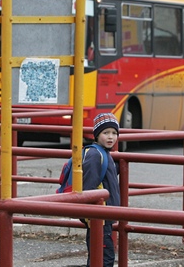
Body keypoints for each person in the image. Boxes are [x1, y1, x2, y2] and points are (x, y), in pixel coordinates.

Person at [82, 113, 121, 267]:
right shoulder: (94, 154)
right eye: (106, 133)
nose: (111, 137)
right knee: (104, 258)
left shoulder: (104, 153)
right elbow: (89, 186)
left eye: (114, 133)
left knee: (100, 256)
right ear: (97, 135)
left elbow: (106, 174)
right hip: (99, 217)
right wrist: (91, 215)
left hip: (104, 216)